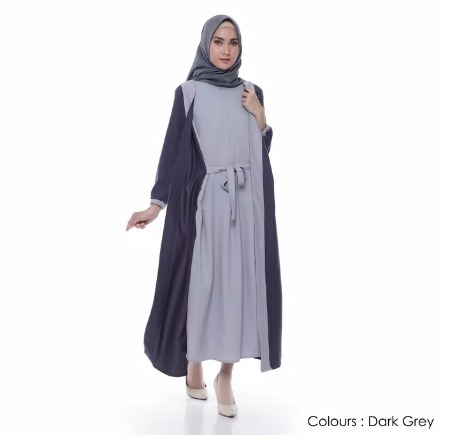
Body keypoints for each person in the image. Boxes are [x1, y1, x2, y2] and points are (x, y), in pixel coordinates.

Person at [126, 14, 282, 418]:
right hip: (206, 206)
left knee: (240, 290)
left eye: (233, 43)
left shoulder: (252, 91)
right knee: (203, 288)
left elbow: (260, 150)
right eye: (218, 41)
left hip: (246, 207)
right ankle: (193, 360)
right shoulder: (189, 92)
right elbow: (173, 150)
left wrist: (261, 118)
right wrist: (156, 204)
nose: (226, 50)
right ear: (205, 44)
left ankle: (225, 376)